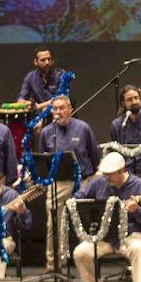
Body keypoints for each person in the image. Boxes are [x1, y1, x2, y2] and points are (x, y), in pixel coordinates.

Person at [72, 152, 141, 282]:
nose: (107, 177)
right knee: (81, 253)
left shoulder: (139, 186)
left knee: (138, 249)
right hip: (104, 236)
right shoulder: (99, 183)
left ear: (121, 170)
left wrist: (137, 211)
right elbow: (78, 198)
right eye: (105, 174)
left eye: (110, 174)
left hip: (130, 234)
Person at [34, 95, 101, 272]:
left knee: (85, 223)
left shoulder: (83, 128)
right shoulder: (47, 132)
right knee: (53, 223)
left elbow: (95, 157)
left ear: (70, 109)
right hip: (58, 184)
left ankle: (87, 261)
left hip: (83, 181)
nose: (58, 112)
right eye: (54, 109)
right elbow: (42, 160)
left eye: (61, 108)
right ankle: (53, 264)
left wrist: (90, 180)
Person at [16, 48, 61, 112]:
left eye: (49, 59)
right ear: (35, 62)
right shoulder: (30, 77)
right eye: (43, 60)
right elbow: (21, 98)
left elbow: (61, 99)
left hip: (56, 114)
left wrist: (39, 106)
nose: (47, 62)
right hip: (37, 117)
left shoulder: (60, 75)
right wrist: (26, 103)